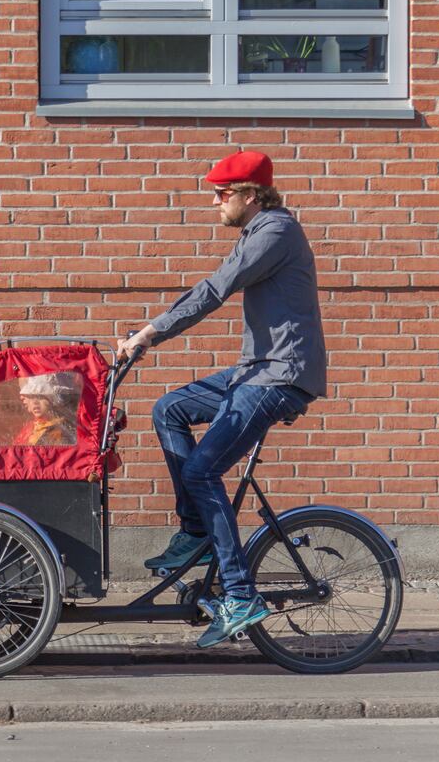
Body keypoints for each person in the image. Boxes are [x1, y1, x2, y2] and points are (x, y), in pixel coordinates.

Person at [116, 150, 327, 648]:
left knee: (201, 471)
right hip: (255, 370)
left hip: (279, 376)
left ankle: (238, 595)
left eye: (222, 193)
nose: (214, 202)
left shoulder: (275, 232)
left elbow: (215, 290)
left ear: (251, 196)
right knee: (170, 408)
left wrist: (149, 333)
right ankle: (196, 531)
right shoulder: (259, 233)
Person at [15, 373, 79, 447]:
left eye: (41, 397)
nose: (35, 402)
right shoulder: (30, 428)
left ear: (53, 400)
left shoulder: (61, 431)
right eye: (32, 397)